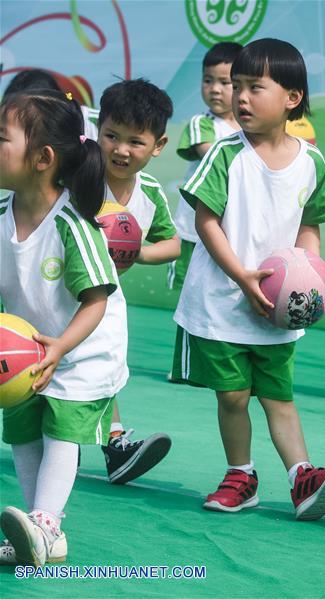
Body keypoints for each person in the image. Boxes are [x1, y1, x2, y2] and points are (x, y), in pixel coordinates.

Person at [172, 38, 325, 518]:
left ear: (292, 98)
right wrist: (240, 277)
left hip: (277, 309)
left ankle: (303, 477)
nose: (241, 98)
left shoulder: (310, 161)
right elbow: (205, 221)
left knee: (279, 396)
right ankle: (242, 475)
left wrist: (309, 276)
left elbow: (310, 225)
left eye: (255, 87)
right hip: (222, 302)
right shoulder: (226, 155)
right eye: (237, 87)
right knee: (233, 396)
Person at [0, 90, 126, 565]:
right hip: (25, 351)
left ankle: (48, 524)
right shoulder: (2, 216)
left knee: (60, 431)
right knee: (23, 431)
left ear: (42, 158)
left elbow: (97, 300)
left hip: (84, 350)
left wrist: (59, 349)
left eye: (0, 138)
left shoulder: (73, 224)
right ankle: (35, 531)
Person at [95, 78, 178, 484]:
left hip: (103, 300)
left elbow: (173, 244)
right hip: (49, 292)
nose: (121, 150)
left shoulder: (149, 192)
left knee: (103, 369)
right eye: (111, 135)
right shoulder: (79, 175)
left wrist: (136, 250)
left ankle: (113, 446)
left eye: (135, 142)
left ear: (158, 146)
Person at [168, 42, 242, 383]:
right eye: (208, 80)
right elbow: (212, 157)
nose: (215, 89)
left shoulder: (249, 133)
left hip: (229, 235)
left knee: (221, 298)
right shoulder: (202, 124)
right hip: (192, 233)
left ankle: (218, 363)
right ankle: (185, 368)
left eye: (225, 82)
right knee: (191, 299)